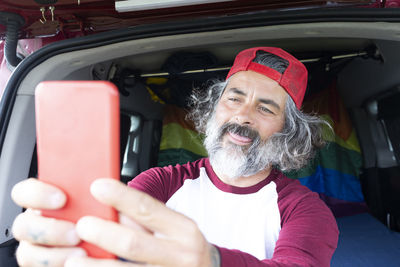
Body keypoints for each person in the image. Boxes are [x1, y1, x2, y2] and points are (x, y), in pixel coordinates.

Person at [11, 47, 339, 267]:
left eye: (265, 108)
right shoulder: (162, 181)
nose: (242, 116)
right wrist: (73, 234)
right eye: (233, 99)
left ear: (287, 131)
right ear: (213, 110)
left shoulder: (306, 209)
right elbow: (109, 240)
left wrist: (210, 260)